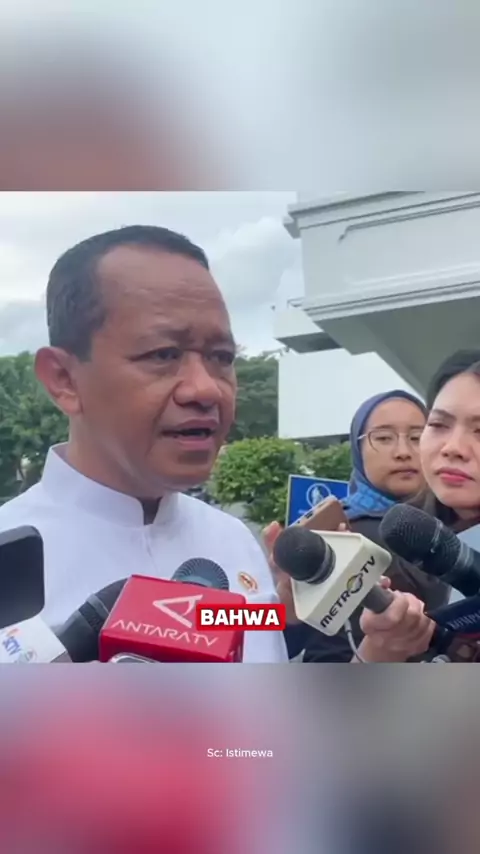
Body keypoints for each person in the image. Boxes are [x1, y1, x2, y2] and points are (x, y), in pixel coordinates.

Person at [0, 226, 287, 663]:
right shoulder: (10, 561)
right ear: (64, 379)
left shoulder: (236, 542)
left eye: (221, 357)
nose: (206, 389)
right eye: (163, 354)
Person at [266, 389, 448, 662]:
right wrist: (285, 602)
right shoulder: (333, 534)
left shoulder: (450, 528)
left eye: (417, 437)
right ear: (357, 449)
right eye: (383, 438)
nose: (403, 452)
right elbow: (250, 638)